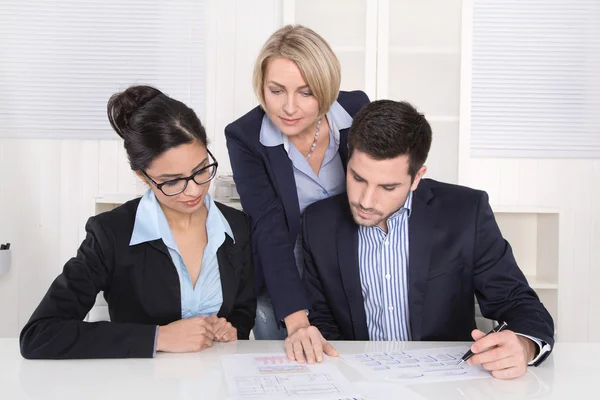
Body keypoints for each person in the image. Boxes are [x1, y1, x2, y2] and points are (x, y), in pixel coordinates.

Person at [301, 100, 554, 379]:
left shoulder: (466, 212)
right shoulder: (318, 222)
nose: (365, 200)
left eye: (388, 187)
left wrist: (524, 345)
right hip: (358, 381)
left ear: (417, 177)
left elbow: (517, 301)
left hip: (446, 383)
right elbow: (321, 318)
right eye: (358, 178)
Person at [20, 85, 256, 359]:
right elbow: (40, 335)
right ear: (143, 176)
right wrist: (158, 337)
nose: (193, 191)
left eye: (201, 170)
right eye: (172, 181)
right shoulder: (111, 234)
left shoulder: (237, 226)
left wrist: (230, 329)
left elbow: (243, 311)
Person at [225, 25, 369, 363]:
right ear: (261, 86)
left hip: (354, 264)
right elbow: (267, 224)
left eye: (306, 92)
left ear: (327, 88)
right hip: (286, 274)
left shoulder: (357, 110)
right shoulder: (245, 136)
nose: (289, 107)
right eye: (276, 91)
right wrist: (296, 319)